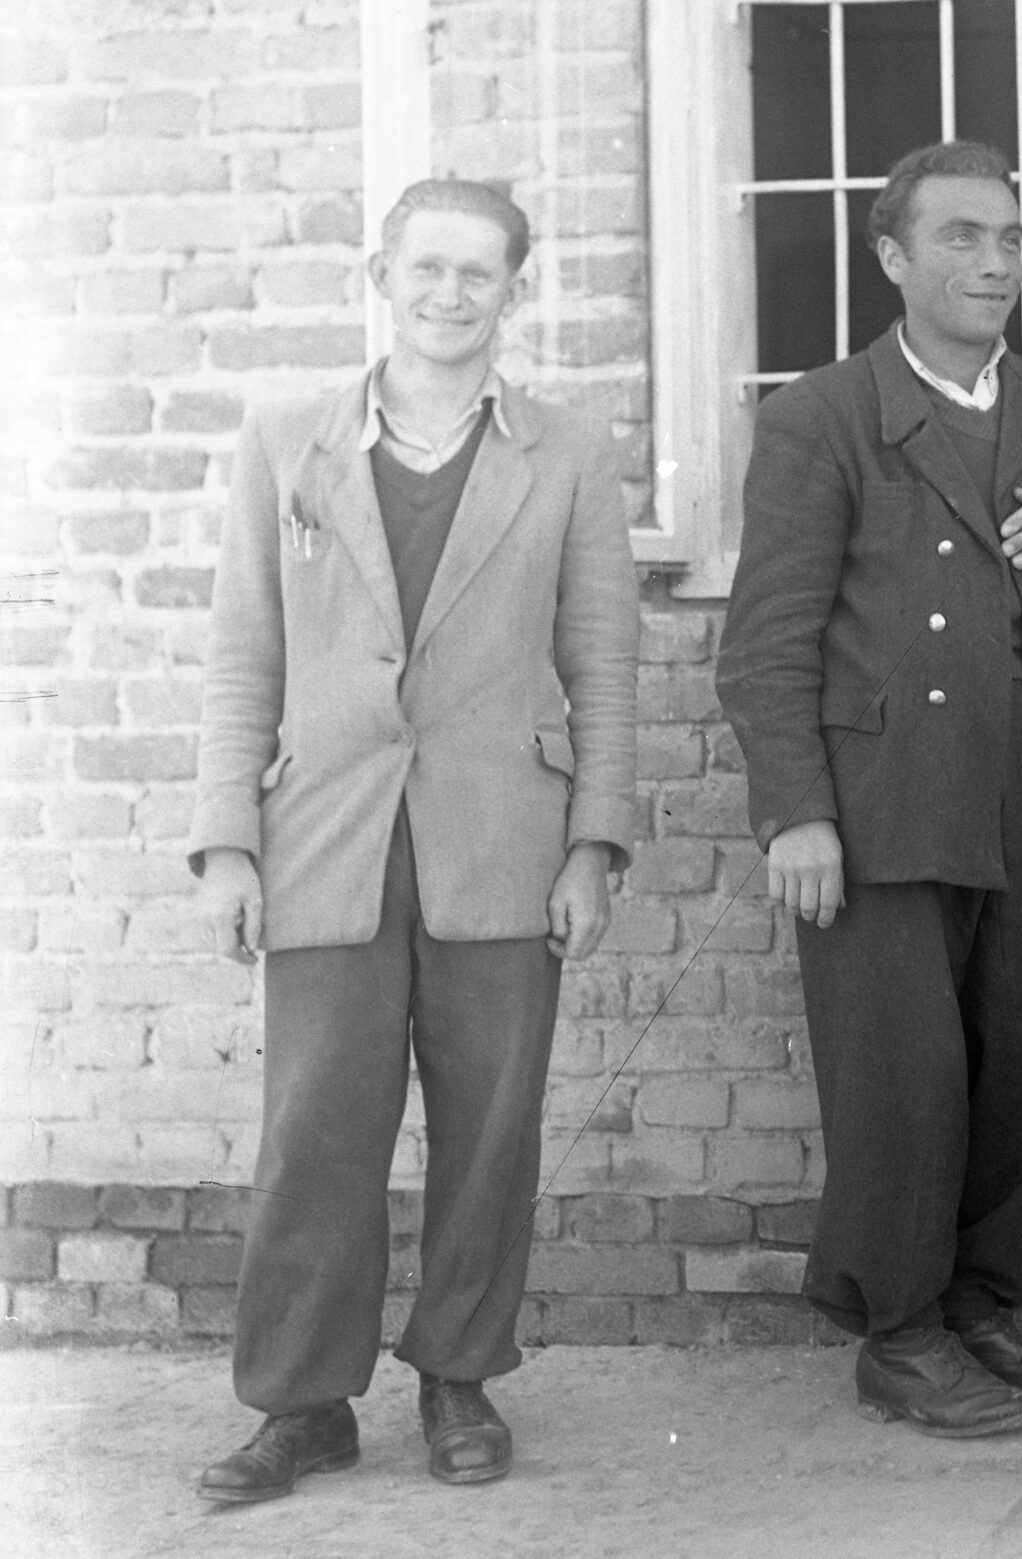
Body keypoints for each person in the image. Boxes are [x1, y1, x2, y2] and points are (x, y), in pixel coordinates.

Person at [188, 179, 638, 1500]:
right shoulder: (289, 441)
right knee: (315, 1127)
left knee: (492, 1125)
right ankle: (302, 1400)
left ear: (514, 290)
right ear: (380, 275)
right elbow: (242, 654)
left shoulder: (567, 452)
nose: (450, 293)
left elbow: (604, 665)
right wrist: (228, 843)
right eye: (426, 267)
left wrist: (593, 844)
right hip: (325, 834)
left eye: (478, 272)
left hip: (502, 835)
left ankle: (459, 1373)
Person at [715, 140, 1022, 1437]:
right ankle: (901, 1334)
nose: (993, 261)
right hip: (884, 798)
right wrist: (797, 810)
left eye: (1009, 238)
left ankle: (980, 1297)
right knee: (902, 1080)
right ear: (893, 258)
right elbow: (765, 640)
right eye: (961, 237)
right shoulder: (820, 416)